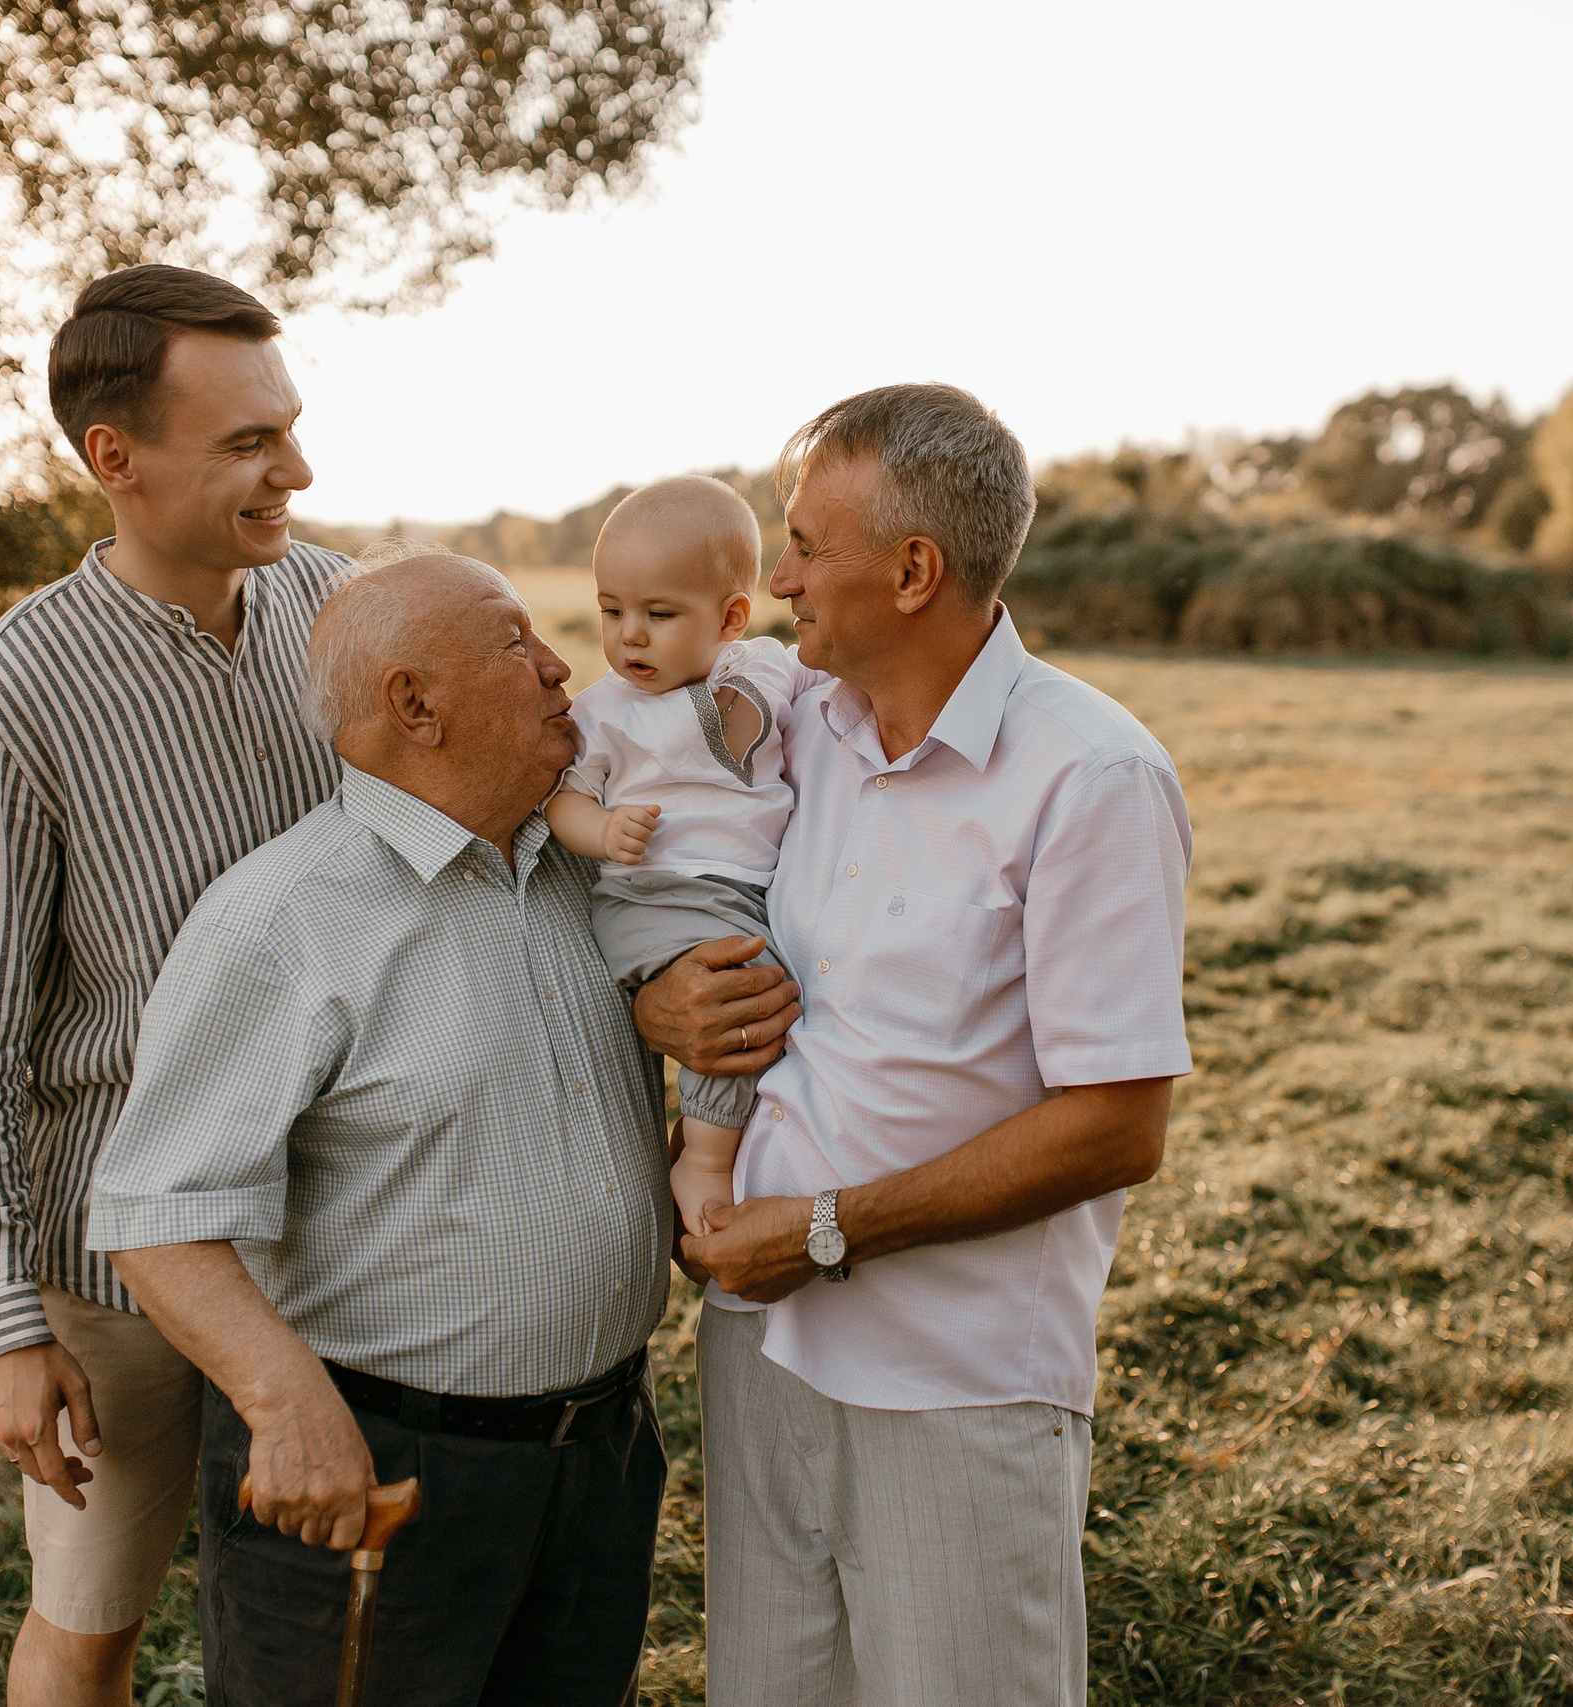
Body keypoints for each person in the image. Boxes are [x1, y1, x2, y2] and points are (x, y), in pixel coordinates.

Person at [651, 383, 1193, 1706]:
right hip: (760, 1333)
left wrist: (825, 1225)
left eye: (804, 544)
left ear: (912, 568)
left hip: (951, 1370)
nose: (775, 576)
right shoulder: (793, 731)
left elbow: (1118, 1124)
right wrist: (663, 1006)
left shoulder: (1088, 775)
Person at [86, 555, 674, 1707]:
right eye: (514, 644)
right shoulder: (281, 921)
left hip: (600, 1458)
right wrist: (285, 1404)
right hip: (376, 1478)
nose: (561, 666)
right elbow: (155, 1214)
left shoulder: (585, 878)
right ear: (415, 703)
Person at [0, 264, 347, 1707]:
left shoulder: (339, 605)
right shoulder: (10, 698)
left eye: (289, 426)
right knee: (91, 1625)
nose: (297, 468)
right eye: (248, 443)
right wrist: (9, 1324)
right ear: (115, 456)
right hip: (119, 1266)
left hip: (350, 1230)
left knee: (331, 1623)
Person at [544, 475, 813, 1233]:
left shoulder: (759, 666)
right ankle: (703, 1155)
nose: (629, 634)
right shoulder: (603, 712)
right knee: (742, 992)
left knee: (783, 995)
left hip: (741, 892)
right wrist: (602, 833)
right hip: (654, 895)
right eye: (611, 610)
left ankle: (752, 1138)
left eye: (659, 614)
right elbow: (564, 799)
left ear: (730, 615)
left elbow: (761, 714)